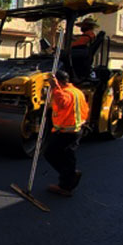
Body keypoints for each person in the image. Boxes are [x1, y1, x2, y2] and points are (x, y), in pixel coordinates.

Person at [44, 69, 89, 197]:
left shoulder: (66, 93)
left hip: (67, 132)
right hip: (74, 129)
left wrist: (55, 87)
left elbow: (62, 102)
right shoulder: (77, 91)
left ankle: (66, 186)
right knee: (64, 156)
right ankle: (69, 175)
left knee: (55, 154)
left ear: (58, 82)